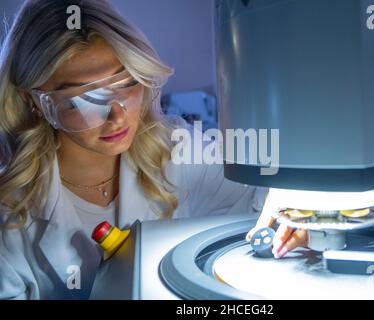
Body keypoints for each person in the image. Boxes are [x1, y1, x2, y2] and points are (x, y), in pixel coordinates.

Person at [0, 0, 270, 299]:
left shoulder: (177, 150)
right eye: (86, 98)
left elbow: (263, 188)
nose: (118, 115)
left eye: (127, 83)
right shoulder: (9, 215)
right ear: (33, 101)